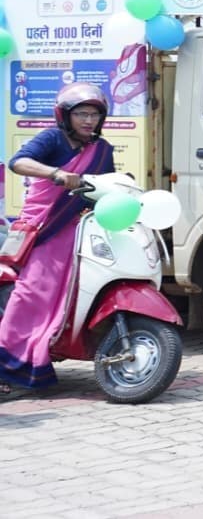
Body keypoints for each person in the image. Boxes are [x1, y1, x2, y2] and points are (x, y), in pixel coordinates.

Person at [0, 83, 116, 394]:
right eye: (81, 114)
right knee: (32, 291)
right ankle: (6, 359)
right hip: (45, 227)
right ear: (65, 116)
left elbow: (107, 184)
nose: (89, 120)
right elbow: (18, 162)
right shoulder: (52, 138)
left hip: (79, 229)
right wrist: (55, 174)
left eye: (94, 114)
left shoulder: (101, 149)